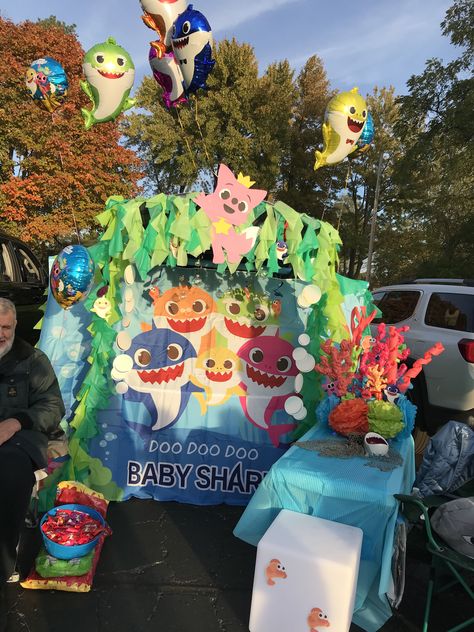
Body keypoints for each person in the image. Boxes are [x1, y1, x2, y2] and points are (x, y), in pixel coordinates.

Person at [0, 297, 65, 585]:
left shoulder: (33, 361)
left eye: (5, 327)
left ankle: (3, 560)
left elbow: (53, 408)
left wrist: (15, 423)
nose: (0, 333)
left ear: (15, 326)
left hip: (21, 438)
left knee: (10, 474)